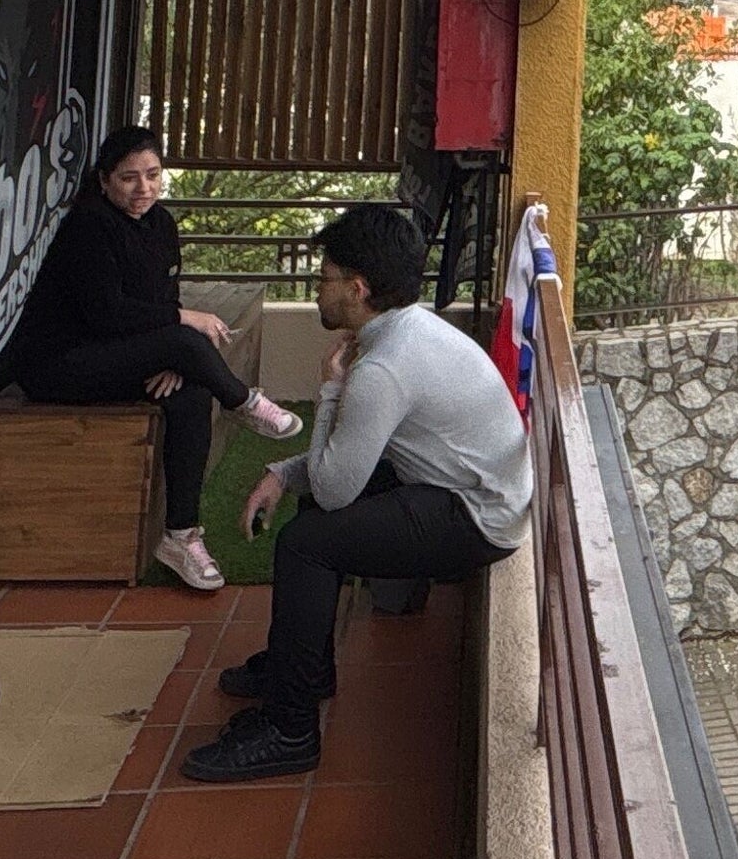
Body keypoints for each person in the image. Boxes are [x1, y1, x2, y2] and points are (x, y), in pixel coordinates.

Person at [182, 202, 529, 782]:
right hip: (466, 487)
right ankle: (304, 670)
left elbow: (337, 487)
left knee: (306, 542)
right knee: (316, 504)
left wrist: (329, 393)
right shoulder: (407, 328)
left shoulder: (383, 366)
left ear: (358, 289)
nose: (318, 290)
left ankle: (291, 730)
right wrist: (283, 473)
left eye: (324, 279)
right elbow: (344, 463)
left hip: (477, 516)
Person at [13, 127, 296, 589]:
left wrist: (168, 355)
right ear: (104, 180)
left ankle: (180, 536)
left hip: (115, 355)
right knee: (189, 339)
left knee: (190, 391)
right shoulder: (88, 225)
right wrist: (177, 331)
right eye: (128, 178)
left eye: (152, 174)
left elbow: (160, 301)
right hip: (59, 365)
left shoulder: (161, 223)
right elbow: (107, 313)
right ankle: (244, 403)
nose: (143, 188)